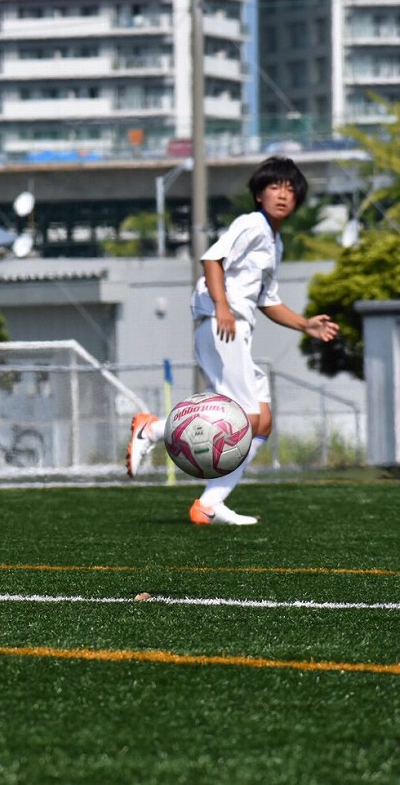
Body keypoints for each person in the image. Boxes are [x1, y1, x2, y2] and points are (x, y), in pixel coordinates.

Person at [126, 156, 339, 525]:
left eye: (291, 189)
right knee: (247, 418)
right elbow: (212, 259)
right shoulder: (252, 224)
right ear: (259, 194)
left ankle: (210, 503)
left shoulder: (275, 242)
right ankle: (153, 429)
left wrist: (306, 325)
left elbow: (267, 300)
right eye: (275, 187)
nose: (283, 195)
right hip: (221, 324)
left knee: (264, 422)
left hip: (236, 328)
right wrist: (222, 305)